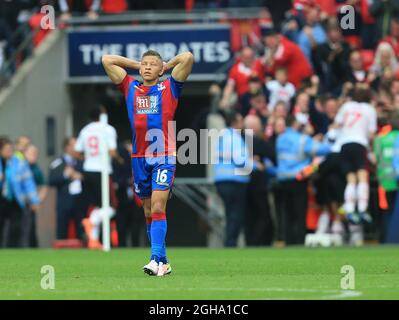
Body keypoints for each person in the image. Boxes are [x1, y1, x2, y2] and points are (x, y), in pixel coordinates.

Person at [102, 49, 194, 276]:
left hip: (164, 154)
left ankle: (154, 259)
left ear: (160, 69)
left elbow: (188, 57)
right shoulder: (130, 87)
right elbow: (107, 60)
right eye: (145, 64)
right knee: (147, 212)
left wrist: (165, 65)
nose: (147, 67)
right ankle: (163, 261)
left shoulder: (169, 87)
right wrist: (137, 64)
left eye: (153, 64)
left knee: (158, 206)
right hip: (139, 157)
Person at [276, 114, 331, 245]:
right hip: (298, 178)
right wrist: (313, 138)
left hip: (283, 179)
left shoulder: (280, 138)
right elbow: (324, 150)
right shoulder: (302, 139)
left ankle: (289, 241)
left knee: (287, 213)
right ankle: (299, 241)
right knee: (300, 213)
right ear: (296, 124)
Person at [74, 107, 119, 249]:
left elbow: (76, 152)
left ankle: (93, 240)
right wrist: (120, 159)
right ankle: (91, 223)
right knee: (111, 206)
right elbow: (112, 152)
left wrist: (88, 157)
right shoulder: (108, 129)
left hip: (88, 170)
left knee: (95, 205)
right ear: (103, 115)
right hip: (103, 171)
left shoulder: (85, 130)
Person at [333, 86, 377, 224]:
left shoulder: (346, 106)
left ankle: (350, 209)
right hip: (360, 143)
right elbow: (371, 134)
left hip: (344, 144)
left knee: (351, 179)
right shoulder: (370, 110)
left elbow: (337, 125)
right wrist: (371, 151)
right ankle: (363, 209)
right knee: (362, 177)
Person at [214, 111, 254, 247]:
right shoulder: (235, 138)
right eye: (241, 121)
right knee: (236, 214)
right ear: (235, 122)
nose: (243, 124)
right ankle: (231, 243)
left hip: (220, 179)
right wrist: (254, 165)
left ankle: (229, 242)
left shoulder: (222, 136)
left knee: (229, 213)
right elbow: (240, 159)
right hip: (235, 180)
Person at [3, 136, 40, 247]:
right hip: (2, 200)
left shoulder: (19, 162)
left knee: (16, 228)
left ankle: (12, 252)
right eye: (6, 149)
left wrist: (34, 200)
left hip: (15, 199)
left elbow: (29, 183)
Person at [49, 137, 84, 240]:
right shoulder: (57, 162)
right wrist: (65, 175)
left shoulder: (81, 162)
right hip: (64, 203)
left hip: (79, 202)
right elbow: (51, 180)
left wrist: (81, 176)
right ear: (67, 147)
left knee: (81, 231)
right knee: (62, 232)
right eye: (74, 145)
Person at [24, 144, 48, 247]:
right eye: (31, 153)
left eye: (35, 153)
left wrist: (37, 201)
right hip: (17, 202)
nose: (34, 155)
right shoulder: (19, 166)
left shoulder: (36, 169)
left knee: (31, 229)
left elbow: (44, 186)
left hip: (31, 204)